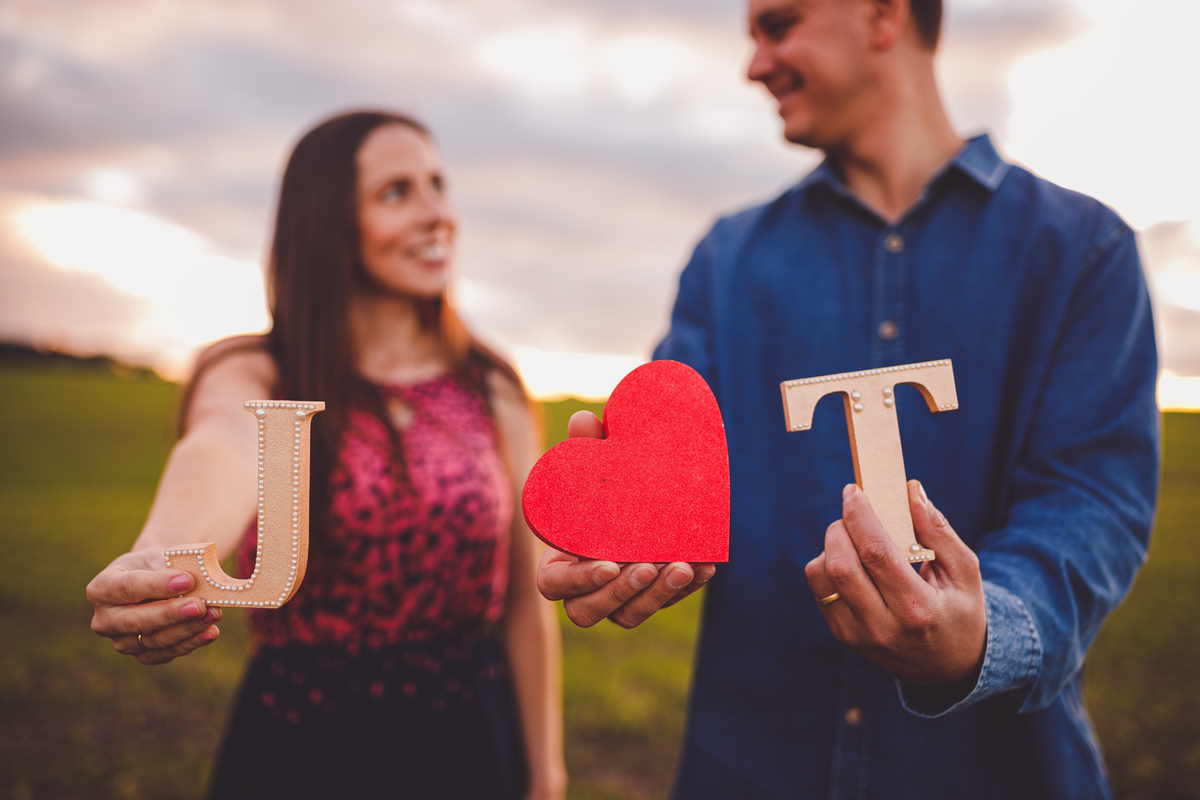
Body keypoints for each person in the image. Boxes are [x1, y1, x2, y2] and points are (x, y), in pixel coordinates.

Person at [537, 1, 1159, 798]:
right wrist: (628, 537)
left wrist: (983, 632)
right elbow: (675, 465)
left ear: (882, 14)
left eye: (779, 24)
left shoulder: (1082, 250)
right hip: (753, 765)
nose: (753, 64)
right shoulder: (727, 260)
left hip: (993, 772)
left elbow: (1093, 501)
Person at [86, 111, 566, 800]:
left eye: (438, 184)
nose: (438, 214)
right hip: (307, 744)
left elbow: (525, 603)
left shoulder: (493, 386)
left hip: (467, 734)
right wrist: (163, 554)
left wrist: (545, 775)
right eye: (396, 192)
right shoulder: (253, 372)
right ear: (328, 220)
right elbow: (224, 442)